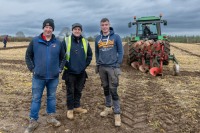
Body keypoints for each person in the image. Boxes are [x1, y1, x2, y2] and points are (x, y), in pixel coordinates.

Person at [24, 18, 65, 133]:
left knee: (51, 98)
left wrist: (60, 69)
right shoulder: (35, 41)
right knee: (36, 98)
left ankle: (51, 117)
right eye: (46, 27)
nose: (48, 29)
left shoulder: (58, 42)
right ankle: (33, 121)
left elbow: (63, 57)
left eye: (50, 28)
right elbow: (28, 56)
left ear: (53, 29)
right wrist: (32, 69)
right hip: (38, 77)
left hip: (53, 77)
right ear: (43, 28)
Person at [95, 18, 124, 126]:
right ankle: (108, 107)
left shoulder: (116, 37)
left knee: (114, 90)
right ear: (100, 26)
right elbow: (97, 52)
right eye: (102, 25)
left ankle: (117, 113)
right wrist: (98, 62)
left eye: (106, 24)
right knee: (105, 88)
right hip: (102, 68)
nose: (104, 26)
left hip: (112, 68)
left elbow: (121, 51)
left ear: (109, 25)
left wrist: (118, 63)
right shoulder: (98, 38)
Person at [62, 23, 92, 120]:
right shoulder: (66, 41)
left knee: (78, 90)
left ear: (81, 31)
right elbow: (61, 56)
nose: (77, 31)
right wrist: (67, 66)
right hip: (70, 72)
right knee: (70, 91)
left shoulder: (85, 42)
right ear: (72, 30)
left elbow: (90, 56)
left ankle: (77, 107)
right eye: (75, 29)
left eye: (79, 29)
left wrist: (84, 65)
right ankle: (70, 109)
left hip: (81, 72)